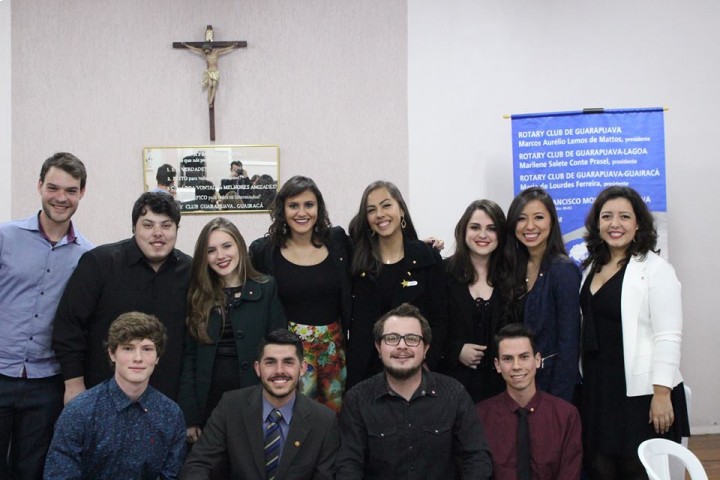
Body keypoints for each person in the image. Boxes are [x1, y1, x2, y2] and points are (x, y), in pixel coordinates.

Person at [579, 186, 689, 479]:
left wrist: (662, 393)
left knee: (636, 469)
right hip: (598, 387)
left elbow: (668, 336)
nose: (615, 224)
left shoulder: (656, 270)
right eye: (607, 216)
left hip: (641, 392)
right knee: (600, 467)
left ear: (638, 223)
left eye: (624, 216)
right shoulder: (591, 266)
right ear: (597, 223)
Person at [52, 192, 192, 403]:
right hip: (100, 395)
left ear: (176, 229)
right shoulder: (99, 263)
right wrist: (74, 385)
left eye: (166, 225)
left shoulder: (191, 271)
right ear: (134, 227)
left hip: (167, 398)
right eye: (148, 225)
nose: (157, 233)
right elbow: (68, 325)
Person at [0, 152, 90, 480]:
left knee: (33, 470)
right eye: (53, 187)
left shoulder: (87, 256)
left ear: (82, 193)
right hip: (0, 369)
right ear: (39, 185)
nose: (61, 198)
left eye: (70, 190)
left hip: (46, 383)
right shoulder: (5, 237)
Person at [336, 303, 492, 479]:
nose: (402, 346)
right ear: (379, 348)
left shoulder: (454, 394)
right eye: (392, 338)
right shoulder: (357, 399)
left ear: (426, 348)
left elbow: (477, 458)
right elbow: (348, 465)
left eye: (411, 339)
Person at [179, 217, 286, 445]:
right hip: (209, 402)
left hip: (255, 398)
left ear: (239, 246)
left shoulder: (266, 288)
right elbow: (189, 357)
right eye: (211, 251)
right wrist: (190, 415)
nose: (221, 256)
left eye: (227, 246)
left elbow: (279, 347)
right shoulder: (197, 294)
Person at [249, 176, 351, 411]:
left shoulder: (338, 242)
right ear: (282, 210)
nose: (302, 212)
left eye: (309, 205)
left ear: (319, 208)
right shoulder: (264, 251)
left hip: (333, 355)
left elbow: (372, 251)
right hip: (287, 356)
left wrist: (415, 245)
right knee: (291, 417)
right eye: (293, 205)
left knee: (332, 421)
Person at [180, 329, 339, 480]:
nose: (279, 370)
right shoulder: (230, 406)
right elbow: (198, 464)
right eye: (270, 362)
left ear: (302, 368)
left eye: (288, 362)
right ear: (257, 368)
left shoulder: (324, 420)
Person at [44, 312, 186, 479]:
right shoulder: (79, 411)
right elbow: (60, 474)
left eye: (147, 349)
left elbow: (171, 475)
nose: (138, 358)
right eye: (128, 348)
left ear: (157, 357)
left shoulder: (170, 415)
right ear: (112, 354)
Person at [346, 180, 447, 389]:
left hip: (415, 369)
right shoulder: (356, 261)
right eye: (371, 210)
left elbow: (440, 318)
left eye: (386, 205)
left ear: (401, 209)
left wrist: (427, 363)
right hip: (366, 374)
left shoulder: (427, 258)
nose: (380, 214)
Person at [501, 187, 580, 403]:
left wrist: (557, 402)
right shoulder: (514, 268)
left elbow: (569, 344)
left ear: (552, 221)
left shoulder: (563, 270)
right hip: (518, 386)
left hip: (554, 388)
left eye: (538, 217)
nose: (530, 226)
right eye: (521, 219)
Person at [477, 323, 582, 480]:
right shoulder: (480, 416)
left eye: (524, 357)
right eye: (507, 359)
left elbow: (570, 474)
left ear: (537, 360)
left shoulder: (566, 415)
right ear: (497, 365)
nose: (516, 366)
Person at [443, 199, 509, 402]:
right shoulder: (442, 273)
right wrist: (455, 351)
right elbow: (429, 326)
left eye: (491, 228)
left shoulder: (512, 277)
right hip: (452, 390)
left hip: (501, 390)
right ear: (463, 230)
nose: (482, 235)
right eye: (475, 227)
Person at [182, 42, 240, 107]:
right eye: (205, 51)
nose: (206, 53)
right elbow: (195, 49)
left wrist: (233, 46)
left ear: (209, 49)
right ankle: (209, 101)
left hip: (215, 71)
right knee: (210, 85)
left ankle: (211, 100)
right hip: (209, 71)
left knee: (214, 85)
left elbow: (225, 49)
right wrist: (186, 45)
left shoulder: (216, 52)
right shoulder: (205, 54)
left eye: (207, 51)